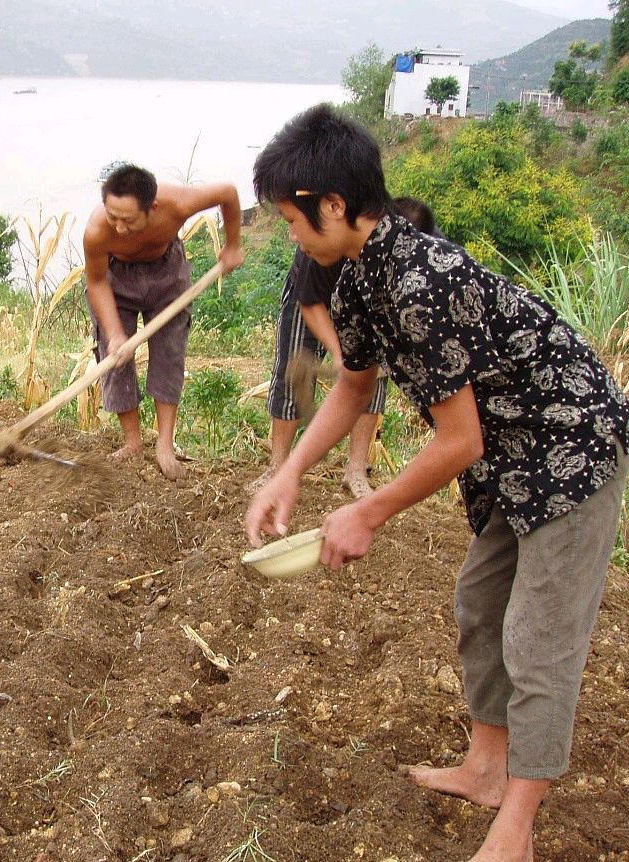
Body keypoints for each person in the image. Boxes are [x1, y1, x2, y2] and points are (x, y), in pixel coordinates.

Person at [245, 104, 629, 862]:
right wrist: (287, 473)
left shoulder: (424, 280)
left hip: (570, 446)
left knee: (538, 638)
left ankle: (514, 827)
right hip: (510, 456)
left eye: (290, 220)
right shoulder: (355, 277)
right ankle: (486, 769)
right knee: (481, 605)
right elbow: (353, 389)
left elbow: (458, 440)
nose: (288, 237)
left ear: (332, 205)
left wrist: (369, 512)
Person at [252, 197, 440, 499]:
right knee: (294, 365)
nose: (293, 235)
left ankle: (356, 470)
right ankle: (279, 467)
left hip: (373, 293)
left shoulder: (431, 260)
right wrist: (341, 356)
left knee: (372, 376)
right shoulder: (322, 246)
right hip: (316, 298)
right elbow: (311, 303)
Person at [83, 163, 245, 481]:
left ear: (152, 207)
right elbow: (97, 281)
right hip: (117, 282)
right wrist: (116, 334)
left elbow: (228, 192)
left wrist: (232, 245)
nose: (118, 227)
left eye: (128, 220)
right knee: (113, 357)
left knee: (169, 352)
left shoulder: (178, 203)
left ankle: (165, 444)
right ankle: (132, 442)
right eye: (112, 216)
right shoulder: (97, 232)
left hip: (166, 271)